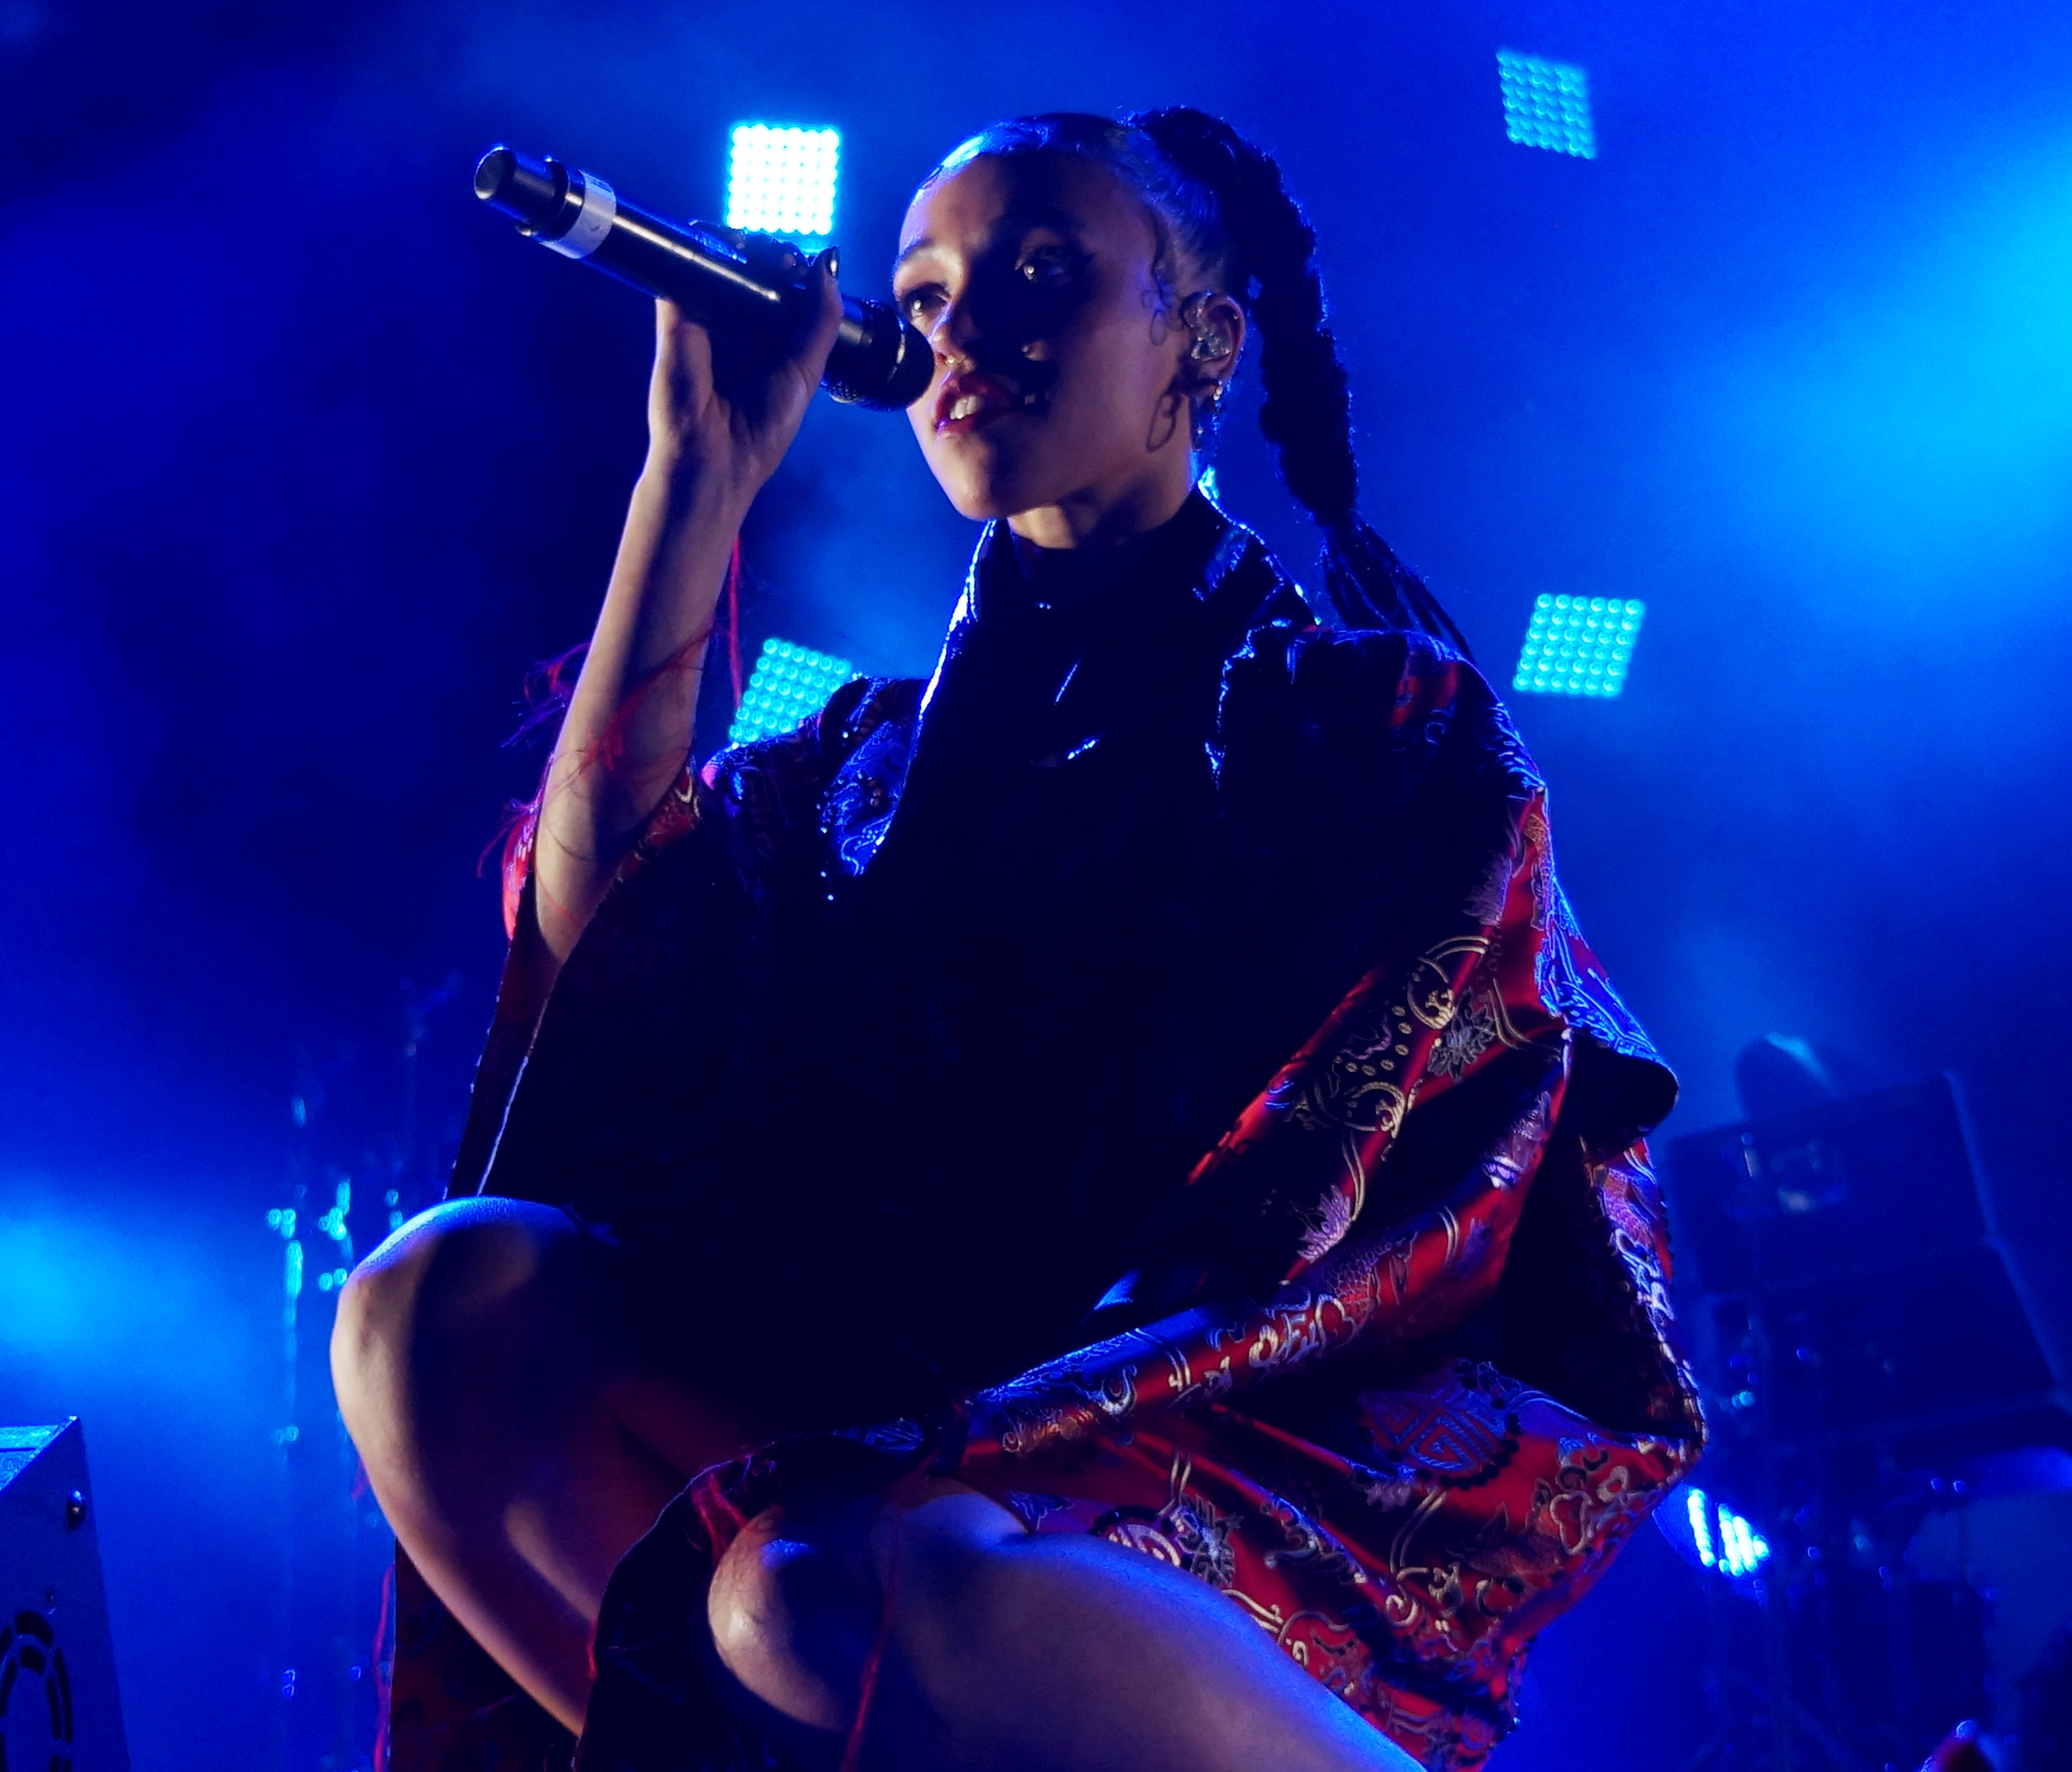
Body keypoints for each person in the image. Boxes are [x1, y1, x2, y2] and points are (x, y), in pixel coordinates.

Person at [333, 109, 1703, 1772]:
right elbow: (597, 974)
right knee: (444, 1310)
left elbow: (1399, 1224)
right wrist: (693, 479)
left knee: (817, 1585)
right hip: (892, 1467)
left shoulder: (1376, 724)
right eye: (925, 296)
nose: (964, 333)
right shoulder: (859, 769)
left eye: (1043, 275)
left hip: (1208, 1459)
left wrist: (992, 1418)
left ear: (1205, 341)